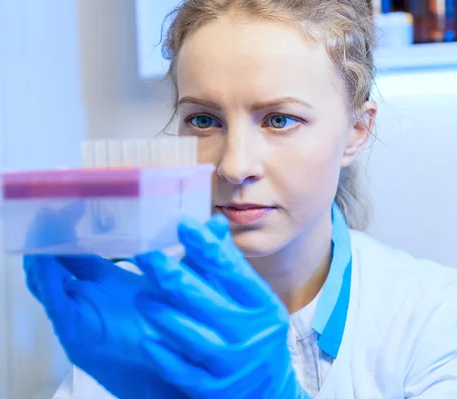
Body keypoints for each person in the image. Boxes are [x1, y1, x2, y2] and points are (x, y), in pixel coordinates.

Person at [24, 0, 457, 397]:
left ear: (356, 131)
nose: (234, 166)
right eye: (204, 119)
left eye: (279, 119)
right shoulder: (137, 315)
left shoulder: (432, 319)